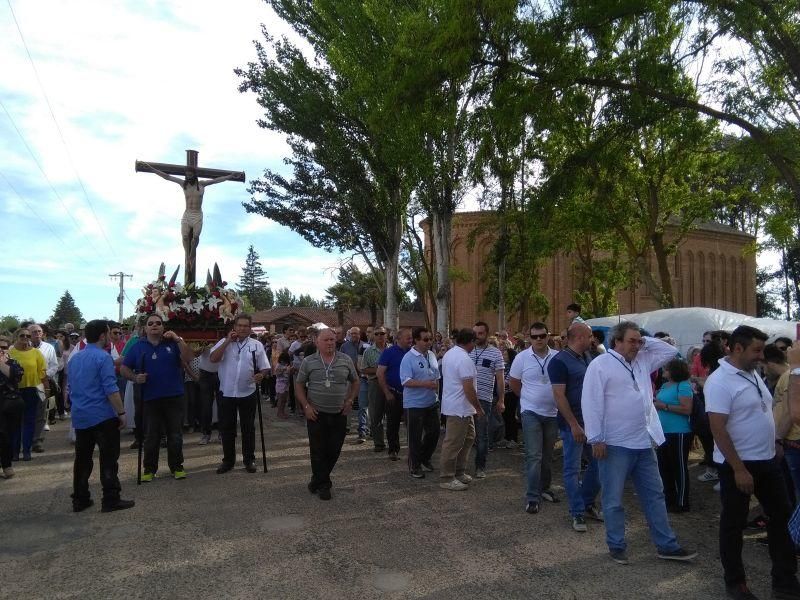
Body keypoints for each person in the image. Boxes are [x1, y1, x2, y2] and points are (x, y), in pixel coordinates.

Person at [582, 321, 696, 565]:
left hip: (644, 442)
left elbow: (669, 352)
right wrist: (596, 438)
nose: (636, 345)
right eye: (631, 340)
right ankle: (616, 545)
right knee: (613, 499)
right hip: (614, 443)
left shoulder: (643, 360)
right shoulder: (600, 365)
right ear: (617, 341)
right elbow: (591, 402)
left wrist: (646, 340)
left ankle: (667, 545)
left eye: (638, 341)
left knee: (655, 495)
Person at [705, 325, 800, 600]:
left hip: (767, 461)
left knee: (781, 519)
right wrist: (738, 468)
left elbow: (761, 412)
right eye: (756, 350)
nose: (761, 356)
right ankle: (736, 584)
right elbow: (718, 428)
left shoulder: (751, 374)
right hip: (739, 465)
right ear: (737, 348)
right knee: (733, 525)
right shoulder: (720, 381)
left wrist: (775, 442)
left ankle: (784, 582)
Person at [68, 320, 135, 513]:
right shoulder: (103, 357)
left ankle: (80, 498)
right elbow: (111, 389)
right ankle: (111, 498)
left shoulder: (75, 359)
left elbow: (71, 386)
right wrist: (122, 413)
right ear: (102, 336)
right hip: (102, 415)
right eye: (108, 333)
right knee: (108, 459)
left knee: (82, 460)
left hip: (81, 415)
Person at [121, 314, 193, 481]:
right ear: (145, 328)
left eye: (158, 323)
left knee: (175, 435)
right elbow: (125, 368)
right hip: (150, 398)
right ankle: (149, 469)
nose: (154, 325)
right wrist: (135, 378)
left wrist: (177, 338)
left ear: (163, 327)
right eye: (150, 323)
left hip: (174, 397)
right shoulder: (138, 347)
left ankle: (177, 467)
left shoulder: (172, 344)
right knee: (151, 436)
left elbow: (189, 357)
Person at [548, 322, 602, 532]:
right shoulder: (560, 362)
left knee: (598, 464)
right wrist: (574, 425)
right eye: (589, 336)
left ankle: (587, 502)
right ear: (579, 337)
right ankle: (577, 512)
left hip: (593, 423)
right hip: (574, 425)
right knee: (572, 469)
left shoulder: (588, 358)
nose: (593, 339)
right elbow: (559, 396)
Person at [295, 328, 359, 500]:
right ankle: (324, 485)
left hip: (339, 413)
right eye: (326, 340)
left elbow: (355, 381)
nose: (330, 343)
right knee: (318, 450)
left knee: (334, 450)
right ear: (317, 342)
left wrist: (350, 400)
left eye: (332, 339)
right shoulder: (309, 361)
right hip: (316, 414)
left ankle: (316, 480)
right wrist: (306, 406)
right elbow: (299, 384)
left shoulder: (345, 360)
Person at [509, 322, 560, 513]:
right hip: (530, 412)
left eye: (542, 335)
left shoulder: (557, 357)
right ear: (529, 338)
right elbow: (514, 383)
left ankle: (544, 488)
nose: (538, 339)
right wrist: (528, 398)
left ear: (548, 336)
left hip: (552, 413)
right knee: (534, 455)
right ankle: (532, 496)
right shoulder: (522, 358)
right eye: (534, 336)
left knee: (547, 456)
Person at [210, 314, 269, 474]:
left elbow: (265, 367)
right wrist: (228, 341)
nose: (242, 328)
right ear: (234, 327)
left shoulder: (256, 345)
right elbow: (213, 359)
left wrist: (261, 375)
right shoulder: (224, 342)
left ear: (250, 328)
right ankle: (228, 461)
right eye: (239, 326)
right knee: (227, 429)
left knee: (248, 428)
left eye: (246, 326)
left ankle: (249, 460)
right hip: (227, 392)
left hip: (248, 392)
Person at [438, 328, 482, 491]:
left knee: (469, 437)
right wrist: (478, 407)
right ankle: (447, 477)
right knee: (453, 442)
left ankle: (458, 471)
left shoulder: (450, 354)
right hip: (459, 408)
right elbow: (468, 387)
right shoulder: (464, 359)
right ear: (471, 342)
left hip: (461, 407)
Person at [399, 327, 440, 479]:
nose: (429, 342)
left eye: (430, 339)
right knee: (414, 437)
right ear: (416, 340)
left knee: (434, 433)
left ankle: (424, 457)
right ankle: (414, 465)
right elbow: (405, 381)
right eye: (425, 339)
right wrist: (425, 384)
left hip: (432, 402)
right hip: (414, 404)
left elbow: (437, 376)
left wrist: (437, 392)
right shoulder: (408, 358)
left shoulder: (431, 354)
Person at [653, 358, 694, 513]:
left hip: (679, 432)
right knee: (664, 467)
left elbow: (686, 409)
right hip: (663, 432)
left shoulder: (683, 386)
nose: (664, 371)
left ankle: (682, 502)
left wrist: (663, 406)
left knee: (679, 467)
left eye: (667, 369)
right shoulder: (664, 385)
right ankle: (669, 499)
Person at [468, 321, 505, 479]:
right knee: (464, 435)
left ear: (487, 334)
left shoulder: (495, 353)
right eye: (474, 333)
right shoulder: (467, 351)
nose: (477, 336)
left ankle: (480, 466)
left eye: (480, 333)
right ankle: (460, 467)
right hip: (466, 398)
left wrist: (501, 399)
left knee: (482, 434)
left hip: (484, 399)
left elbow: (501, 379)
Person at [9, 328, 47, 461]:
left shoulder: (36, 353)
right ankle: (14, 452)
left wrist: (46, 390)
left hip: (32, 390)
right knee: (15, 422)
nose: (25, 337)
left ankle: (26, 450)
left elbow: (42, 373)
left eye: (28, 335)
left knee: (29, 421)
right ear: (16, 337)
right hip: (14, 391)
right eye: (22, 335)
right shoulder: (10, 352)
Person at [377, 328, 412, 461]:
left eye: (411, 337)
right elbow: (380, 373)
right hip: (394, 393)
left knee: (412, 423)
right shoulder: (388, 352)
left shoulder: (413, 352)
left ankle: (413, 450)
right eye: (407, 337)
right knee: (393, 423)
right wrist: (387, 393)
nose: (411, 340)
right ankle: (393, 449)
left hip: (411, 394)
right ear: (398, 339)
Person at [28, 323, 58, 453]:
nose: (37, 334)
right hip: (25, 385)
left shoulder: (49, 348)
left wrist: (45, 375)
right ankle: (25, 441)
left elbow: (54, 365)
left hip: (42, 384)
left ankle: (38, 441)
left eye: (39, 331)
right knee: (26, 414)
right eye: (34, 332)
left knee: (41, 414)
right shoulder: (20, 347)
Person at [363, 327, 389, 452]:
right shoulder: (368, 351)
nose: (380, 336)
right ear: (373, 335)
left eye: (382, 333)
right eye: (377, 334)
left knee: (392, 414)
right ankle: (379, 443)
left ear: (386, 335)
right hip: (375, 384)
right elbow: (364, 369)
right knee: (376, 415)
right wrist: (380, 369)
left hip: (391, 384)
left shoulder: (392, 350)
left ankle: (393, 444)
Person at [0, 336, 23, 478]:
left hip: (9, 404)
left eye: (4, 347)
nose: (1, 350)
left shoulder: (14, 363)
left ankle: (6, 465)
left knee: (6, 435)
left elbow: (15, 376)